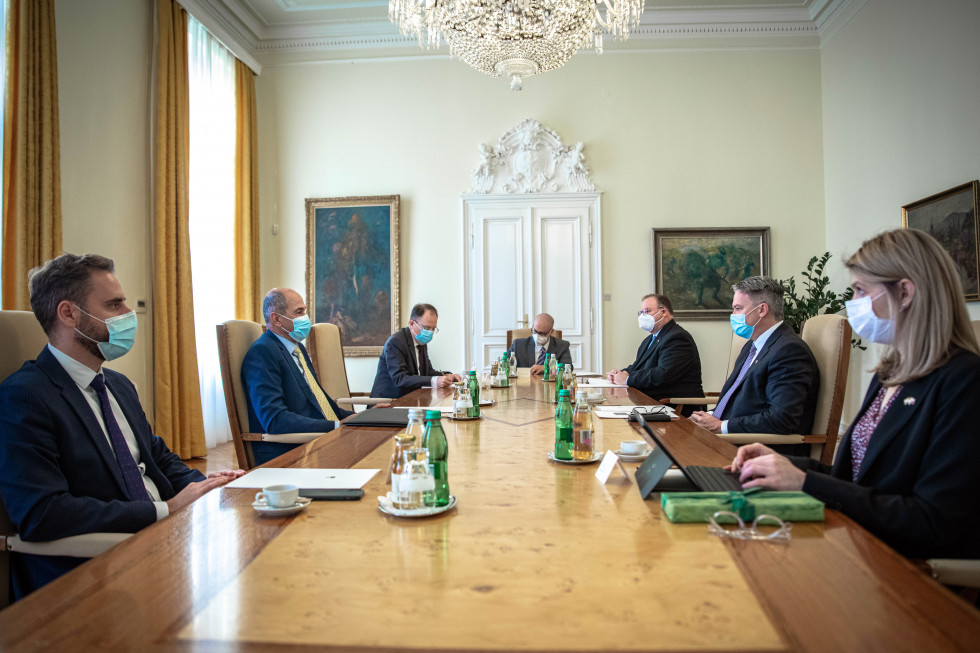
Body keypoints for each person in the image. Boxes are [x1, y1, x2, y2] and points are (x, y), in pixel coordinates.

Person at [0, 254, 243, 600]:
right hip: (93, 578)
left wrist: (209, 486)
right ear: (68, 313)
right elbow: (42, 513)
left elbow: (158, 457)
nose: (129, 313)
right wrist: (167, 509)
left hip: (165, 542)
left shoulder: (117, 384)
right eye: (115, 304)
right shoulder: (24, 396)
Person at [728, 229, 980, 560]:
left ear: (904, 292)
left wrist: (804, 483)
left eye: (861, 290)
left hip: (900, 569)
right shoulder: (890, 374)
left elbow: (934, 523)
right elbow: (855, 479)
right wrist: (782, 464)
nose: (853, 303)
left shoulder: (964, 381)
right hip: (854, 539)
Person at [689, 276, 819, 454]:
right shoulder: (752, 345)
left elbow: (782, 419)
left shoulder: (789, 351)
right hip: (730, 439)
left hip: (758, 452)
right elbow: (741, 400)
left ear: (762, 310)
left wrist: (721, 426)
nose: (733, 315)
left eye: (738, 308)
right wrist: (709, 416)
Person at [241, 288, 355, 466]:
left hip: (317, 441)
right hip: (289, 453)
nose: (306, 317)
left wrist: (359, 419)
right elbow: (275, 419)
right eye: (299, 312)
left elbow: (318, 400)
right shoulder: (263, 352)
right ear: (277, 319)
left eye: (305, 311)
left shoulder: (297, 349)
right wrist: (335, 426)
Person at [606, 294, 704, 416]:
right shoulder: (650, 339)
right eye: (641, 312)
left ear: (663, 312)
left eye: (647, 311)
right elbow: (637, 366)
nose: (643, 316)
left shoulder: (677, 338)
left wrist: (627, 379)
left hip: (676, 407)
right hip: (653, 403)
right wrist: (621, 373)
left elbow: (663, 374)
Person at [371, 303, 461, 398]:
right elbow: (400, 379)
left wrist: (447, 376)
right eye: (426, 328)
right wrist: (435, 380)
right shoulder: (396, 342)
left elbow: (427, 372)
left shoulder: (421, 342)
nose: (430, 332)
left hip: (411, 400)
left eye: (433, 329)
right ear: (411, 324)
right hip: (388, 403)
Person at [506, 313, 572, 375]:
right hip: (524, 384)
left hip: (551, 385)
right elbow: (503, 364)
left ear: (551, 332)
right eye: (535, 331)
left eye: (542, 333)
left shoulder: (562, 346)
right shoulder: (518, 345)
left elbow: (568, 367)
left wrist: (546, 368)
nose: (537, 335)